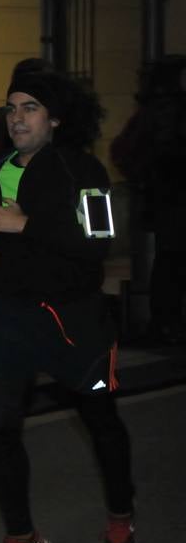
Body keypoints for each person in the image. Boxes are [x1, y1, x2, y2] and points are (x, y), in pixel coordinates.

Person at [0, 70, 136, 543]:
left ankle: (120, 516)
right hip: (15, 319)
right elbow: (5, 239)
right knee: (0, 426)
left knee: (99, 418)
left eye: (30, 108)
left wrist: (28, 226)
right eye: (11, 107)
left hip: (75, 321)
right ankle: (21, 539)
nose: (17, 117)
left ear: (56, 119)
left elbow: (100, 240)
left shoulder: (83, 169)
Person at [110, 54, 186, 344]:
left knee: (170, 262)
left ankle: (166, 322)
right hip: (172, 197)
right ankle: (166, 322)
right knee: (172, 262)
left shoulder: (155, 110)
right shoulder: (166, 110)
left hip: (166, 197)